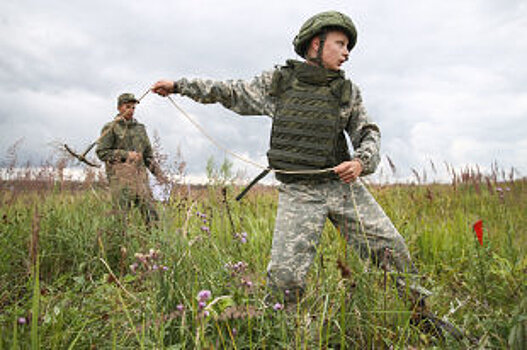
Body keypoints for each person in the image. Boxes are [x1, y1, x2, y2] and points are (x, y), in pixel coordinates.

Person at [151, 11, 464, 340]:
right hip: (299, 193)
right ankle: (286, 335)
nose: (347, 53)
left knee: (392, 249)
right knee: (285, 278)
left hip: (342, 188)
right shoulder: (279, 83)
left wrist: (360, 162)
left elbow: (368, 132)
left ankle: (422, 318)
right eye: (340, 44)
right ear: (316, 44)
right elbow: (230, 91)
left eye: (348, 46)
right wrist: (179, 86)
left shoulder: (347, 91)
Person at [96, 93, 166, 226]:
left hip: (141, 179)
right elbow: (102, 153)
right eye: (127, 107)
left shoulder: (140, 129)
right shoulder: (111, 128)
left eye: (133, 107)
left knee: (152, 216)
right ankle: (121, 245)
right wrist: (126, 155)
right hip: (120, 181)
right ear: (119, 108)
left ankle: (155, 245)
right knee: (121, 218)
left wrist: (159, 175)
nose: (131, 110)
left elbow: (148, 156)